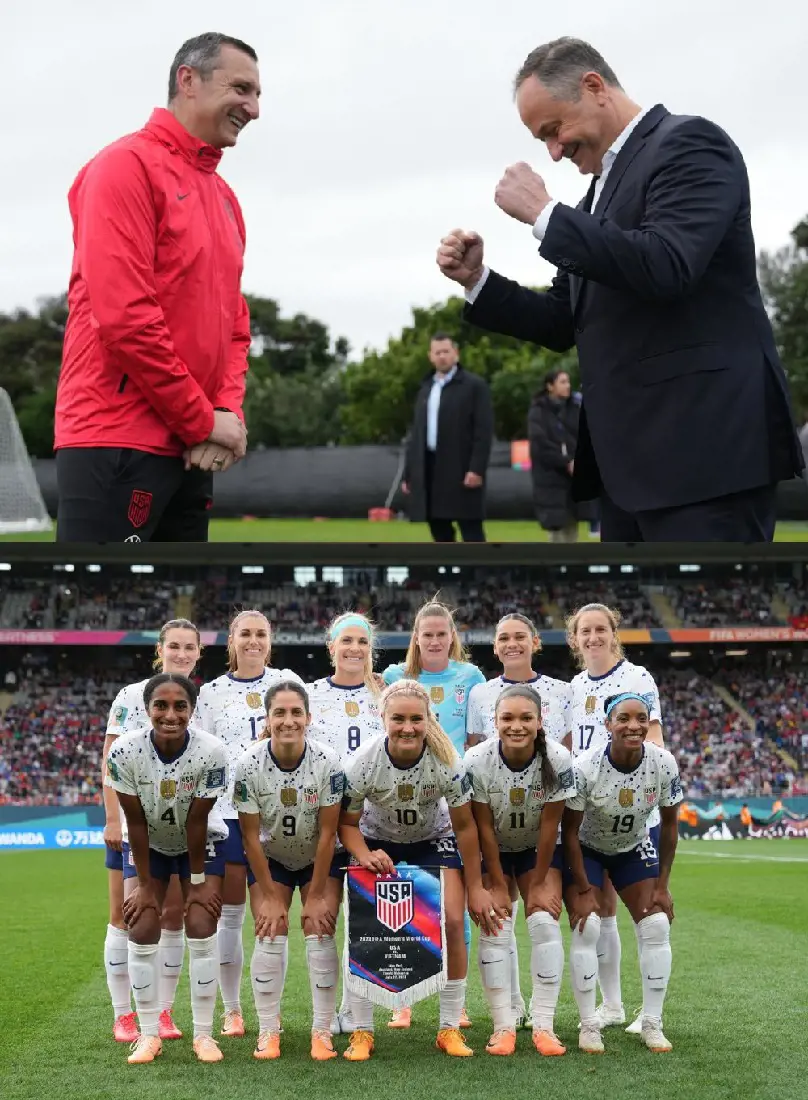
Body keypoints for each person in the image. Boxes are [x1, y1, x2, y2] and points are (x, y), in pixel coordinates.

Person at [436, 36, 803, 542]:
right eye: (542, 139)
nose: (554, 151)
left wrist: (546, 215)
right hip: (628, 474)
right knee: (626, 623)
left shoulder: (690, 144)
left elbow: (668, 264)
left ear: (594, 87)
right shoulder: (597, 194)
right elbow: (564, 317)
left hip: (705, 462)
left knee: (703, 621)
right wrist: (478, 281)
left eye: (554, 129)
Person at [55, 32, 261, 543]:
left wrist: (227, 413)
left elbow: (236, 327)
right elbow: (125, 318)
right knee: (94, 613)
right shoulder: (123, 167)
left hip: (192, 449)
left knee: (183, 620)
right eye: (241, 88)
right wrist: (201, 421)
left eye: (258, 95)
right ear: (187, 80)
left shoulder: (226, 199)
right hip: (117, 439)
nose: (253, 109)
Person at [338, 679, 507, 1061]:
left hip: (433, 839)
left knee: (450, 918)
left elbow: (465, 827)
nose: (408, 727)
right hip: (378, 843)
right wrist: (364, 855)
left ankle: (448, 1027)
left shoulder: (447, 761)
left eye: (417, 718)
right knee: (364, 923)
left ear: (428, 719)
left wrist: (476, 885)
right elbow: (346, 825)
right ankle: (362, 1031)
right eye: (398, 718)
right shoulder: (364, 762)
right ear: (382, 718)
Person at [105, 673, 229, 1064]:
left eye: (180, 706)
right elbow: (136, 822)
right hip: (149, 844)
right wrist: (144, 885)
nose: (170, 714)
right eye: (161, 705)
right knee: (140, 922)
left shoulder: (212, 751)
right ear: (147, 709)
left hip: (200, 841)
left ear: (192, 710)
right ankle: (148, 1034)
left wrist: (195, 883)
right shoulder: (124, 751)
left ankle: (205, 1035)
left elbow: (197, 821)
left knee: (201, 922)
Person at [194, 610, 303, 1038]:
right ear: (232, 641)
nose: (253, 641)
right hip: (228, 815)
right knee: (231, 915)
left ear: (270, 642)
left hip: (277, 813)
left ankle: (269, 1015)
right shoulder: (211, 694)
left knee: (270, 913)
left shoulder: (287, 680)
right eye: (246, 634)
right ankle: (232, 1009)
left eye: (261, 634)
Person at [466, 611, 573, 1028]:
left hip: (535, 847)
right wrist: (493, 879)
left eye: (526, 718)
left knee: (544, 916)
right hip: (494, 845)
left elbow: (551, 827)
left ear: (541, 721)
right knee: (496, 917)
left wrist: (542, 876)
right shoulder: (477, 760)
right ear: (494, 723)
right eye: (507, 719)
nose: (516, 725)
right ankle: (509, 1010)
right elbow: (483, 827)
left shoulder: (557, 759)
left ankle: (543, 1020)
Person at [382, 599, 485, 1028]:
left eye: (443, 633)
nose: (436, 640)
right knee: (404, 904)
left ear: (452, 637)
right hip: (403, 800)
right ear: (417, 639)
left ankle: (453, 1002)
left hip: (453, 798)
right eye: (428, 634)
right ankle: (403, 998)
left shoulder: (471, 677)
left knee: (451, 911)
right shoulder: (394, 678)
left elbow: (477, 739)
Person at [562, 692, 682, 1054]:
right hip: (587, 849)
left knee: (657, 924)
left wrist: (662, 886)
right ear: (607, 724)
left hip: (632, 846)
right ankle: (588, 1026)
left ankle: (652, 1022)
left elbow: (672, 828)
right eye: (624, 718)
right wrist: (583, 886)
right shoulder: (585, 767)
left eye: (641, 718)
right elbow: (568, 833)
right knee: (589, 924)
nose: (634, 725)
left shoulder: (663, 762)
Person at [102, 618, 203, 1043]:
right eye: (174, 645)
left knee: (172, 917)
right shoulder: (131, 697)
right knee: (125, 917)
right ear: (160, 649)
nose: (181, 653)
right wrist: (112, 819)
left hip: (178, 831)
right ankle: (123, 1014)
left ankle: (162, 1012)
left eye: (189, 647)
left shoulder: (199, 699)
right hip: (131, 826)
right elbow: (110, 760)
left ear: (199, 653)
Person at [566, 602, 665, 1034]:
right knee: (600, 911)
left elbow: (654, 739)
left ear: (613, 632)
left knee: (647, 913)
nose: (592, 638)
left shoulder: (636, 677)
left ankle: (651, 1011)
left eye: (600, 629)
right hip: (589, 813)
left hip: (633, 809)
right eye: (584, 631)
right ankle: (613, 1005)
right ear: (574, 639)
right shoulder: (574, 685)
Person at [235, 681, 345, 1062]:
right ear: (267, 719)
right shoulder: (248, 764)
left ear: (308, 718)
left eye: (296, 712)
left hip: (318, 858)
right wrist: (267, 895)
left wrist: (315, 895)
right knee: (269, 929)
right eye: (279, 713)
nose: (288, 720)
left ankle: (321, 1031)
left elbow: (330, 832)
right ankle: (269, 1030)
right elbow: (249, 838)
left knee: (321, 928)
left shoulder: (328, 762)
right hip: (272, 859)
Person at [307, 611, 385, 1034]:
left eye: (362, 641)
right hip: (321, 823)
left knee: (365, 925)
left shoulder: (388, 694)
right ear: (331, 647)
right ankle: (326, 1018)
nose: (354, 648)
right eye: (346, 641)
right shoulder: (309, 694)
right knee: (326, 917)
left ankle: (356, 1012)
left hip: (370, 824)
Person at [401, 333, 494, 543]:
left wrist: (476, 469)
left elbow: (484, 431)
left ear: (456, 354)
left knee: (470, 528)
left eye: (446, 351)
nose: (442, 356)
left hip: (461, 466)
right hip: (430, 467)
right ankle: (448, 574)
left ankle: (478, 574)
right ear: (430, 357)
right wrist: (409, 474)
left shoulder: (474, 386)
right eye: (437, 352)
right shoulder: (425, 389)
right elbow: (415, 435)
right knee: (437, 526)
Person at [527, 369, 596, 542]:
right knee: (557, 532)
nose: (568, 386)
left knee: (572, 529)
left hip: (573, 478)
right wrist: (565, 462)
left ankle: (571, 567)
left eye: (568, 381)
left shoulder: (576, 407)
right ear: (550, 386)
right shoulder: (538, 411)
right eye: (562, 382)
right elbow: (540, 443)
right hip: (551, 478)